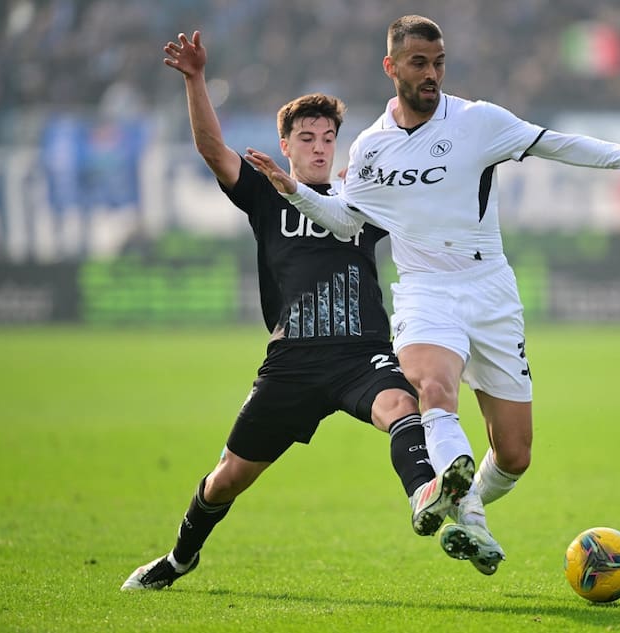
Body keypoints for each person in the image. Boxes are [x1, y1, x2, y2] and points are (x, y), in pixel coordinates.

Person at [244, 15, 620, 576]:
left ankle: (467, 502)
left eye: (438, 62)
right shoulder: (371, 149)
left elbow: (555, 144)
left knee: (514, 454)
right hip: (425, 293)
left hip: (490, 292)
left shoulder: (479, 121)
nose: (431, 73)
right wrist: (296, 193)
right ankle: (461, 500)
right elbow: (345, 220)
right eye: (418, 63)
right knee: (432, 386)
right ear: (391, 68)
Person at [121, 30, 474, 591]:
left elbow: (422, 206)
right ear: (284, 145)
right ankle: (180, 558)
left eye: (327, 138)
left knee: (402, 405)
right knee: (226, 480)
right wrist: (195, 79)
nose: (318, 147)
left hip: (360, 354)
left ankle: (424, 497)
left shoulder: (359, 198)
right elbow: (213, 150)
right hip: (292, 363)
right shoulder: (264, 193)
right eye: (306, 138)